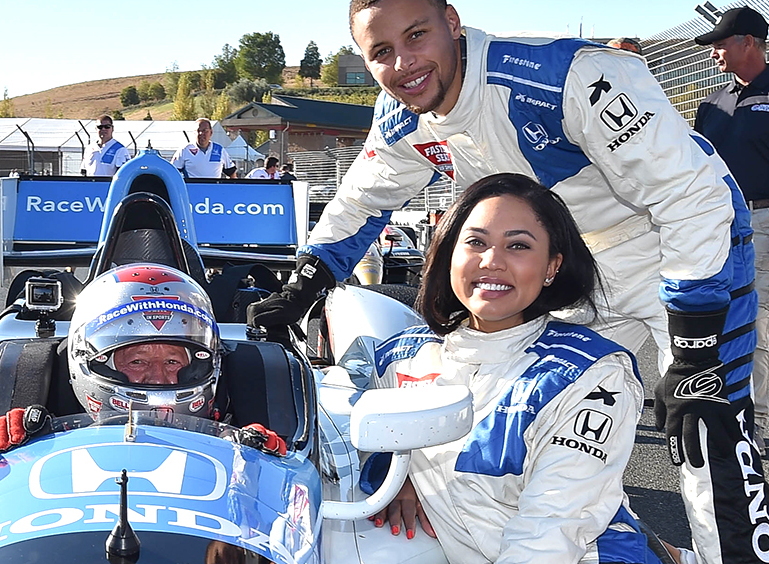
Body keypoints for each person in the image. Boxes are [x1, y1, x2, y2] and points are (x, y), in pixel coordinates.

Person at [246, 1, 762, 562]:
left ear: (452, 22)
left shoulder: (566, 75)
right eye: (381, 52)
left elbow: (691, 194)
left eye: (416, 35)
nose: (404, 63)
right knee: (549, 433)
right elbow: (361, 202)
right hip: (562, 270)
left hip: (682, 248)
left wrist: (692, 343)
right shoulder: (400, 116)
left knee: (705, 433)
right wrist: (303, 284)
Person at [366, 173, 672, 563]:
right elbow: (339, 439)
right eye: (476, 242)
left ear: (552, 266)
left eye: (518, 246)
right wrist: (398, 470)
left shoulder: (591, 373)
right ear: (449, 254)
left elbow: (550, 532)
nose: (492, 261)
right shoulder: (399, 356)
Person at [0, 264, 285, 456]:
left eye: (173, 362)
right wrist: (18, 450)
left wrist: (261, 459)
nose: (160, 378)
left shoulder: (240, 417)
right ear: (92, 360)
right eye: (137, 362)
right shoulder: (34, 409)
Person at [693, 6, 769, 454]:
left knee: (761, 324)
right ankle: (734, 410)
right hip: (717, 225)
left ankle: (759, 420)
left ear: (748, 43)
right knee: (724, 320)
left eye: (722, 43)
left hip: (765, 221)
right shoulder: (712, 104)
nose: (715, 52)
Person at [170, 118, 237, 178]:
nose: (201, 133)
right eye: (198, 130)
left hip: (214, 190)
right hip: (192, 190)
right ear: (194, 133)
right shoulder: (185, 150)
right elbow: (172, 173)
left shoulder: (219, 150)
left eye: (205, 131)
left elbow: (231, 173)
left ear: (211, 132)